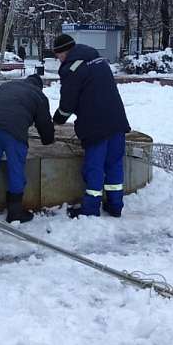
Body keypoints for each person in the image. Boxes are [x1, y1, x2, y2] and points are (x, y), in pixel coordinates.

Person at [52, 33, 131, 218]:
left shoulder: (72, 68)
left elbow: (67, 104)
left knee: (94, 167)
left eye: (58, 55)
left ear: (64, 52)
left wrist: (56, 121)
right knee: (114, 164)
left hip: (95, 125)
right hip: (117, 119)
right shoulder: (97, 59)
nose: (58, 59)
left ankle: (90, 209)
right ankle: (115, 205)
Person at [0, 74, 55, 231]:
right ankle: (15, 214)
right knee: (16, 170)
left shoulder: (7, 86)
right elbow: (44, 123)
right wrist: (48, 139)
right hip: (14, 134)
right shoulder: (38, 95)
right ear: (39, 87)